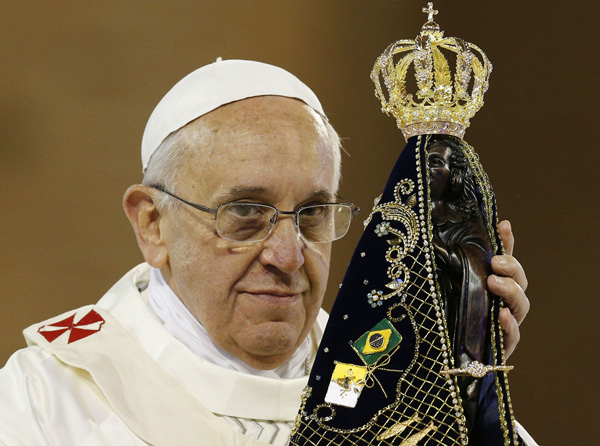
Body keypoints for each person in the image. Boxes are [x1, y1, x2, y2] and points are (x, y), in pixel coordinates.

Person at [0, 59, 533, 445]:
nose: (288, 256)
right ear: (153, 224)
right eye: (245, 212)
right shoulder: (47, 399)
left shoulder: (384, 371)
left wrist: (467, 391)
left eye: (313, 213)